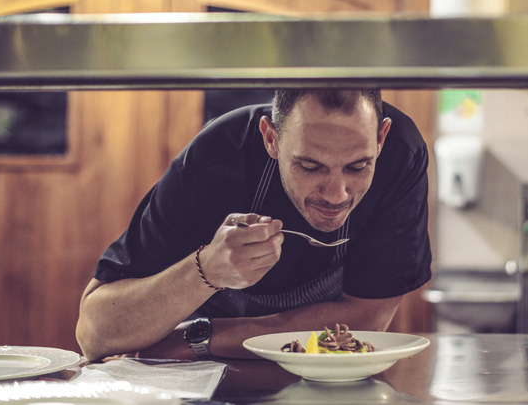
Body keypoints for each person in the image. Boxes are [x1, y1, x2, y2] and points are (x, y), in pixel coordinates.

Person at [75, 89, 432, 361]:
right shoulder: (214, 160)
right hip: (207, 381)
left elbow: (365, 321)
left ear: (381, 138)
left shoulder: (401, 155)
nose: (336, 195)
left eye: (358, 166)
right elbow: (93, 332)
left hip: (328, 377)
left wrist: (194, 339)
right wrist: (205, 270)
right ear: (271, 138)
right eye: (309, 166)